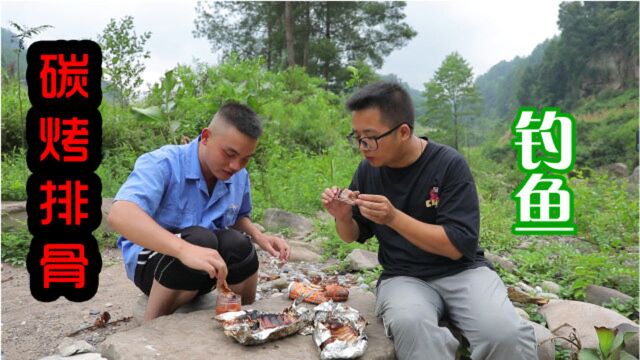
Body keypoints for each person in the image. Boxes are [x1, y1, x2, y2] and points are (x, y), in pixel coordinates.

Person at [321, 82, 537, 360]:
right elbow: (353, 234)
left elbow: (457, 244)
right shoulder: (368, 170)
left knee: (505, 334)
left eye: (370, 138)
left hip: (463, 271)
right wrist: (342, 216)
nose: (363, 147)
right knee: (412, 325)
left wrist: (394, 217)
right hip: (403, 276)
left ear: (403, 132)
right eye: (357, 137)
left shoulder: (448, 165)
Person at [108, 102, 290, 322]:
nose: (235, 166)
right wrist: (184, 250)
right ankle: (152, 327)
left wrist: (261, 237)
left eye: (244, 159)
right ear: (206, 137)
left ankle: (244, 321)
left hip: (206, 265)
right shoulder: (163, 163)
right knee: (200, 239)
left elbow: (238, 216)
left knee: (239, 244)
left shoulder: (238, 177)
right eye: (230, 153)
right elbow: (120, 214)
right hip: (154, 264)